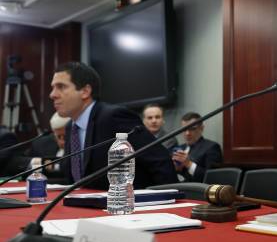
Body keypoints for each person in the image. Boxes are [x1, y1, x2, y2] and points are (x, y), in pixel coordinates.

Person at [51, 62, 177, 190]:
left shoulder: (113, 117)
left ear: (85, 91)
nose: (53, 94)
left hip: (127, 204)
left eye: (61, 87)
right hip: (84, 205)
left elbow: (159, 160)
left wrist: (170, 200)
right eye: (53, 88)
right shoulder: (70, 127)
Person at [172, 112, 222, 182]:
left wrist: (189, 164)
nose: (187, 133)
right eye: (184, 129)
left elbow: (212, 178)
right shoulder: (180, 148)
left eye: (192, 129)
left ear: (201, 128)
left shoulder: (212, 147)